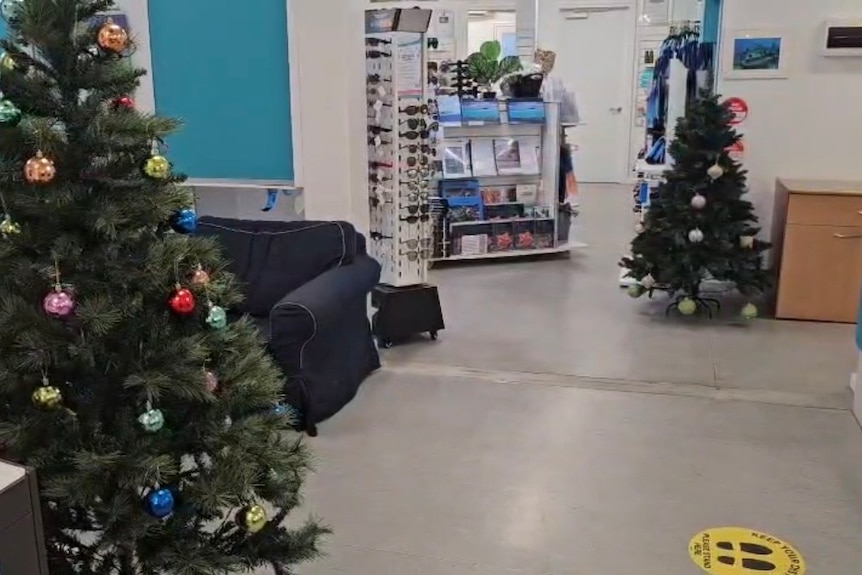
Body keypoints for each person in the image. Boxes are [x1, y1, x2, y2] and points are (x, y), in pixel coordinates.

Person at [535, 49, 579, 207]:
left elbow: (569, 114)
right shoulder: (529, 80)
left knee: (559, 167)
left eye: (548, 61)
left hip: (555, 134)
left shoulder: (557, 83)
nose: (545, 64)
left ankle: (560, 200)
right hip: (534, 133)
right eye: (542, 60)